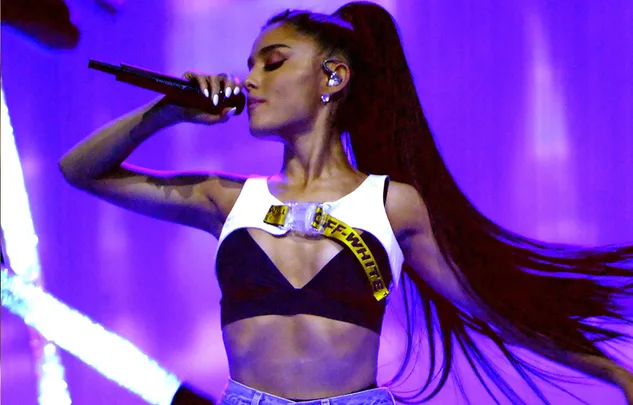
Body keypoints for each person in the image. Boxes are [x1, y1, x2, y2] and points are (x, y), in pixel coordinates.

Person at [59, 2, 633, 404]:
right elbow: (79, 171)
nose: (250, 79)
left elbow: (488, 308)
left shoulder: (392, 206)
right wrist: (166, 112)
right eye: (251, 64)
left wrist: (611, 372)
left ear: (332, 76)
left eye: (273, 62)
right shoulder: (225, 198)